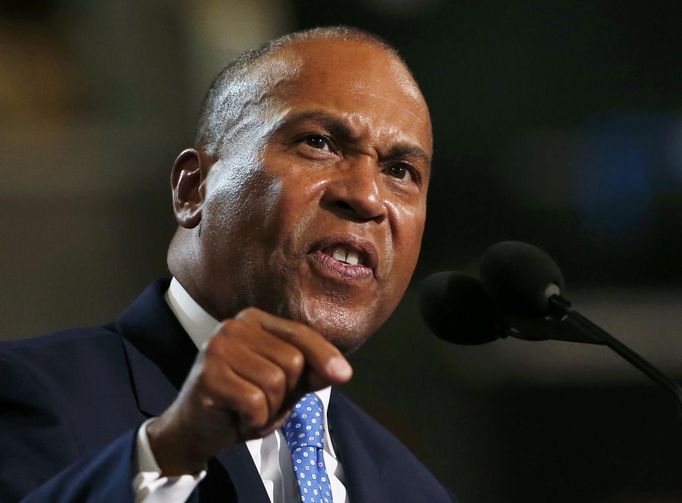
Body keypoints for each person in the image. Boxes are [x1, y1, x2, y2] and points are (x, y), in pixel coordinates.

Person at [0, 26, 454, 502]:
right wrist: (168, 455)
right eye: (318, 143)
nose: (365, 196)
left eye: (400, 171)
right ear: (193, 188)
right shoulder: (32, 392)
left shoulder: (416, 490)